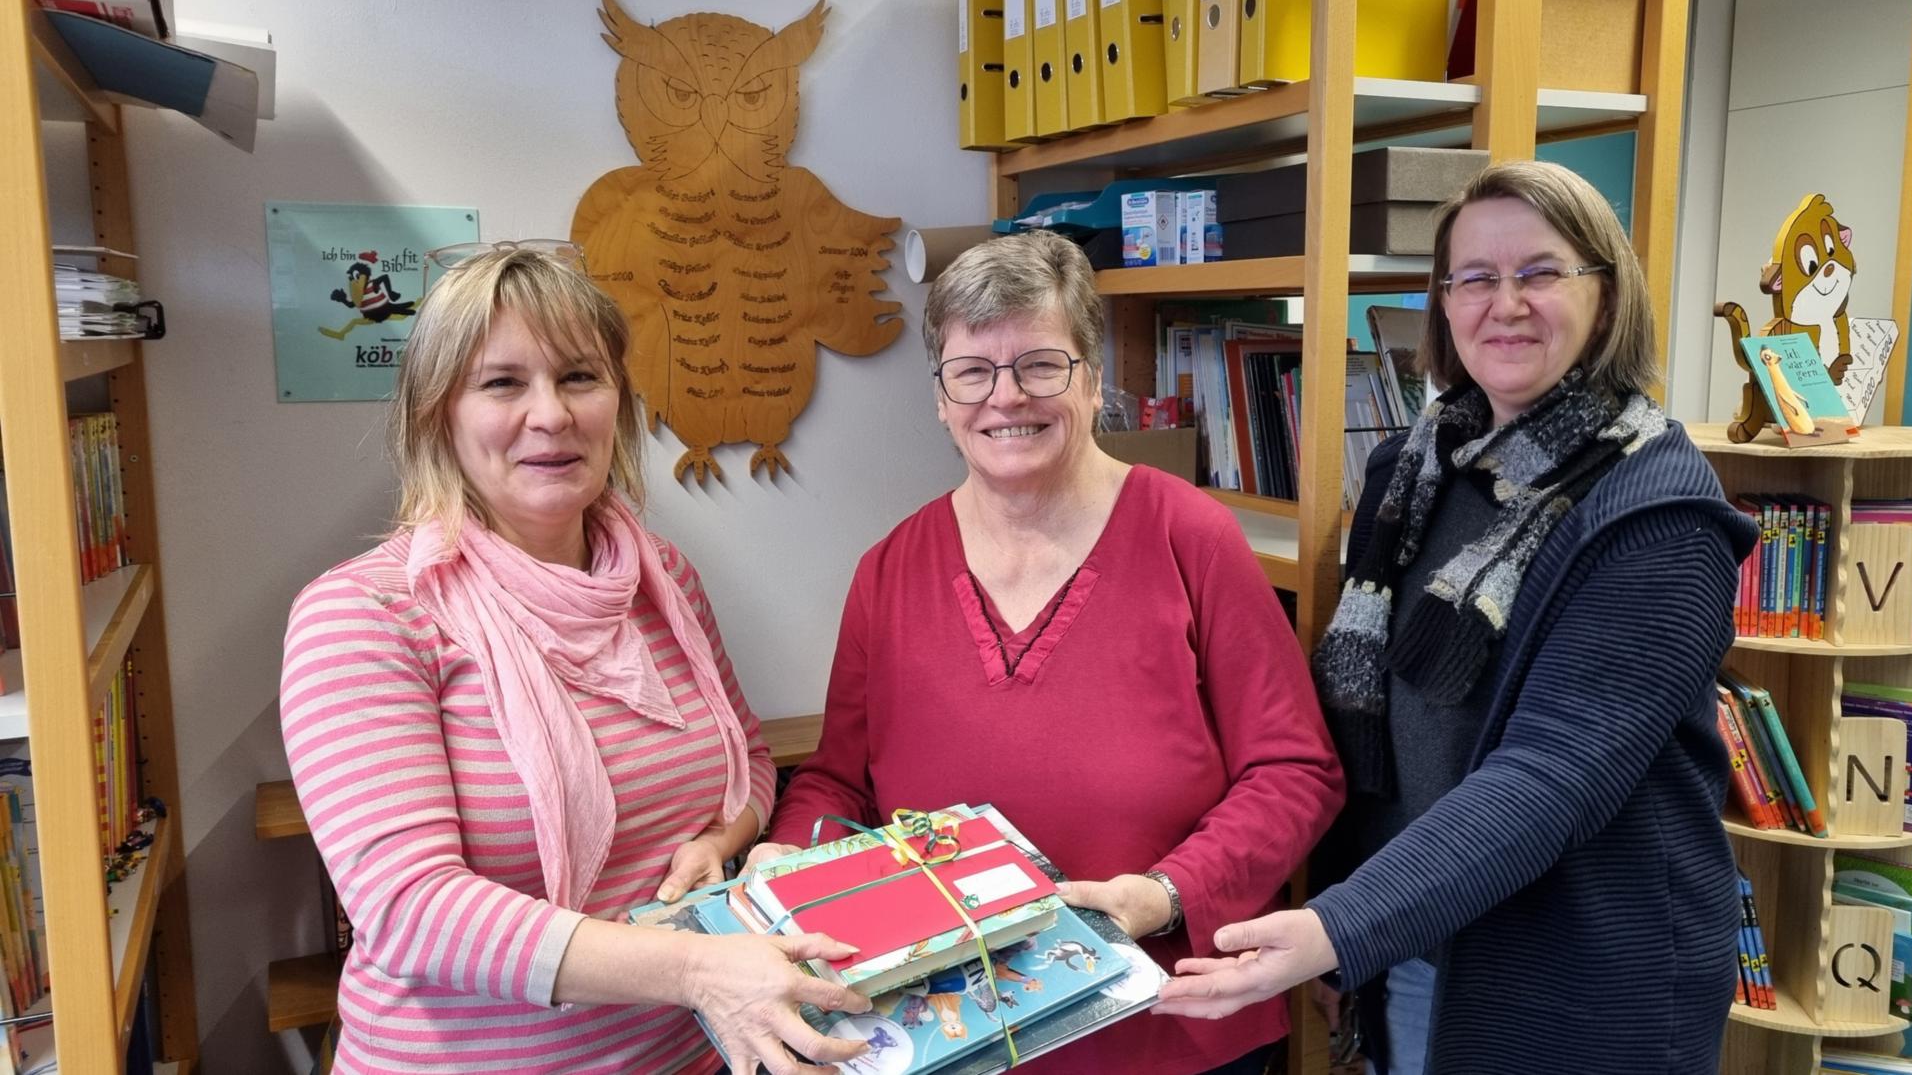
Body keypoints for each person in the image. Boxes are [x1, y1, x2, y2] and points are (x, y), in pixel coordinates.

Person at [1156, 161, 1757, 1074]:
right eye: (1475, 278)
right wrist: (1349, 915)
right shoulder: (1416, 467)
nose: (1504, 303)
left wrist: (1338, 924)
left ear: (1607, 292)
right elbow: (1371, 723)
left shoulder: (1659, 512)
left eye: (1540, 273)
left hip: (1581, 986)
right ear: (1443, 302)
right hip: (1416, 949)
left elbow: (1553, 774)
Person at [747, 230, 1345, 1075]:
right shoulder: (888, 569)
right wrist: (792, 858)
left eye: (1039, 364)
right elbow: (839, 778)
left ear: (1095, 381)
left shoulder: (1191, 536)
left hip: (1172, 1019)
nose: (1006, 397)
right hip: (957, 1033)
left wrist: (1165, 892)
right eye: (973, 371)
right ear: (941, 399)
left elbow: (1295, 770)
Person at [279, 245, 870, 1075]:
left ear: (617, 402)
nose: (551, 414)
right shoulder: (364, 616)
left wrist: (720, 836)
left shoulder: (663, 580)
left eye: (579, 377)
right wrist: (697, 970)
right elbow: (411, 910)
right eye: (502, 383)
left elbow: (749, 763)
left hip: (689, 1055)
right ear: (436, 413)